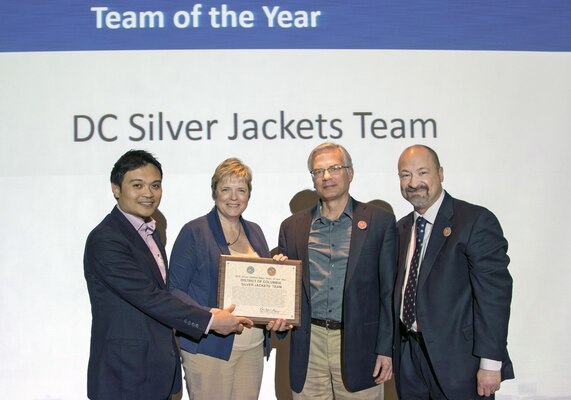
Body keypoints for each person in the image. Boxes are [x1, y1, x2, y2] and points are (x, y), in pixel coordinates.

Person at [84, 150, 251, 400]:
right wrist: (209, 319)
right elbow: (149, 297)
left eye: (155, 185)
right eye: (137, 185)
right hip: (124, 374)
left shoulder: (149, 232)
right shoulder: (107, 238)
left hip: (156, 370)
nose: (148, 193)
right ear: (116, 189)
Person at [277, 142, 397, 399]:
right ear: (313, 179)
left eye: (334, 168)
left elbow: (389, 293)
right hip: (309, 343)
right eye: (318, 171)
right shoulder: (292, 227)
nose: (326, 176)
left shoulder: (379, 222)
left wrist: (386, 348)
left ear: (350, 173)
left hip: (360, 345)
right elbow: (286, 292)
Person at [393, 144, 514, 399]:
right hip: (410, 361)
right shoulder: (400, 230)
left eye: (422, 172)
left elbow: (494, 297)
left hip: (460, 365)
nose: (414, 182)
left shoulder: (474, 221)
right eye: (405, 175)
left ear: (441, 173)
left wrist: (491, 364)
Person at [169, 157, 288, 399]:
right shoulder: (194, 232)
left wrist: (279, 276)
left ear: (249, 195)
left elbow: (263, 288)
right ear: (214, 192)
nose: (234, 197)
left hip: (252, 348)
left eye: (241, 190)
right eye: (226, 189)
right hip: (209, 348)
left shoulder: (254, 231)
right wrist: (211, 318)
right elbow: (174, 291)